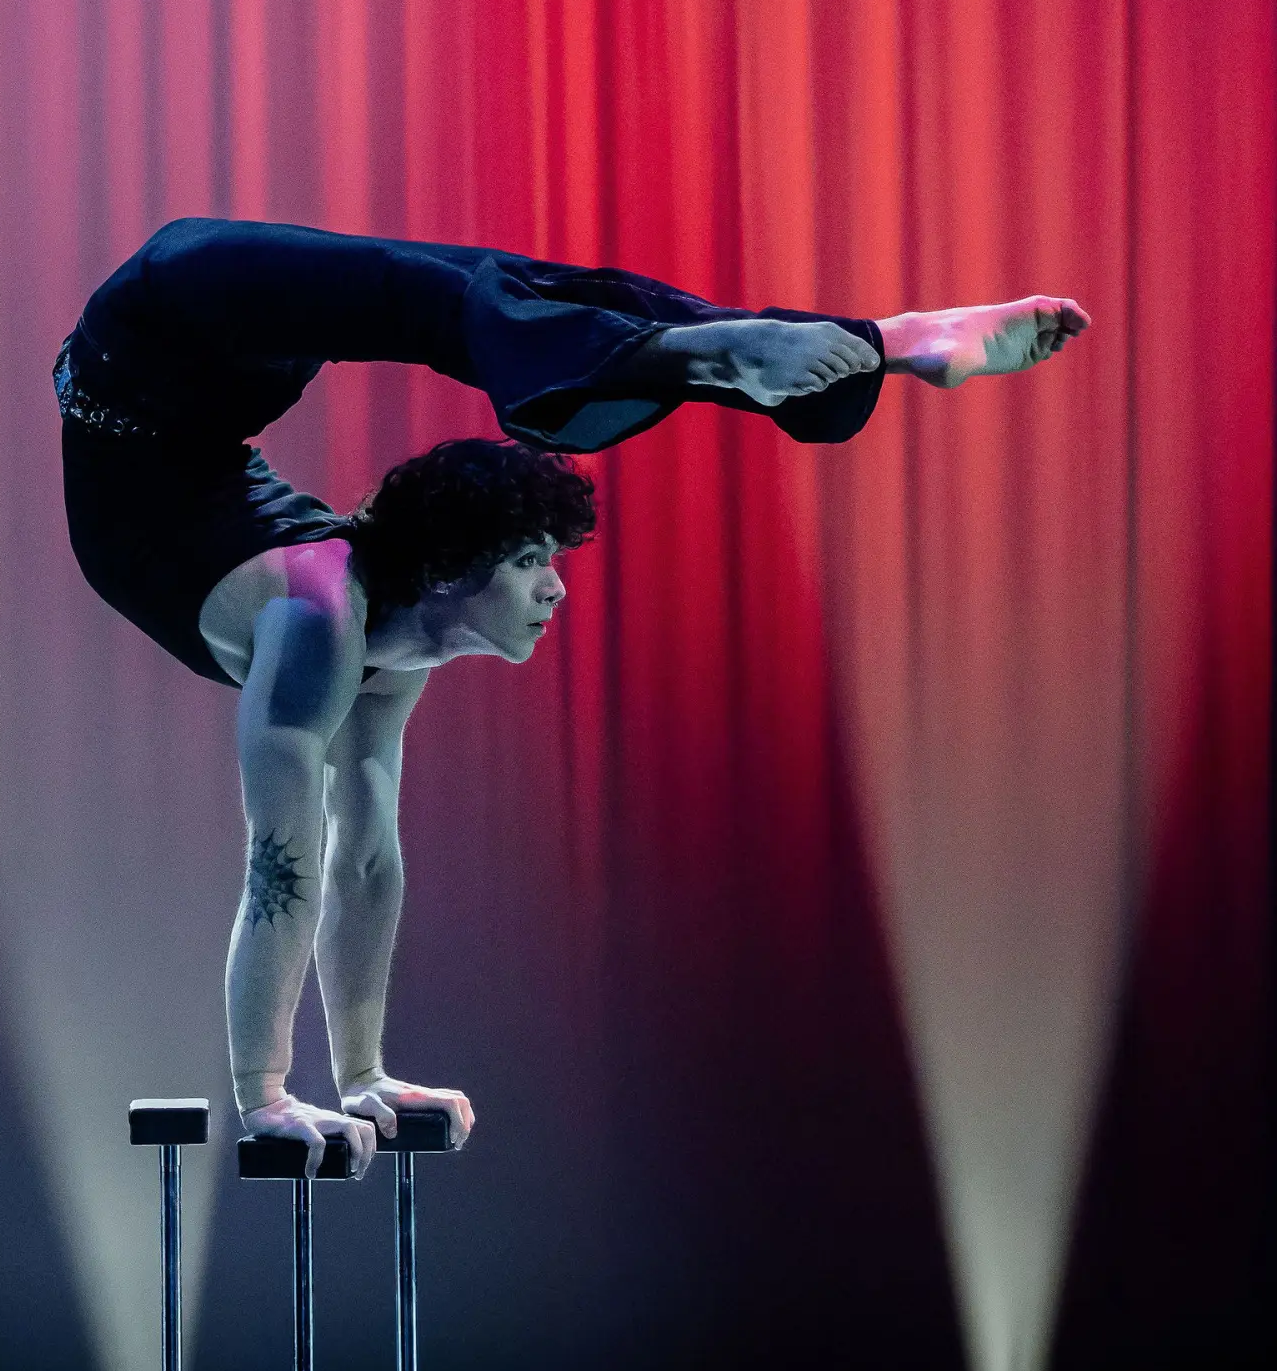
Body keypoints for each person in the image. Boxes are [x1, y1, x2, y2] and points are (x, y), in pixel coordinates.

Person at [56, 217, 1088, 1174]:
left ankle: (858, 342)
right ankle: (791, 348)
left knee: (510, 290)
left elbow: (364, 860)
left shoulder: (386, 646)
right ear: (454, 571)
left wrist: (364, 1076)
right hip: (153, 328)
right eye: (530, 561)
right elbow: (281, 868)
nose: (554, 587)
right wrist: (267, 1095)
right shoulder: (318, 622)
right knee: (436, 296)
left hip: (206, 390)